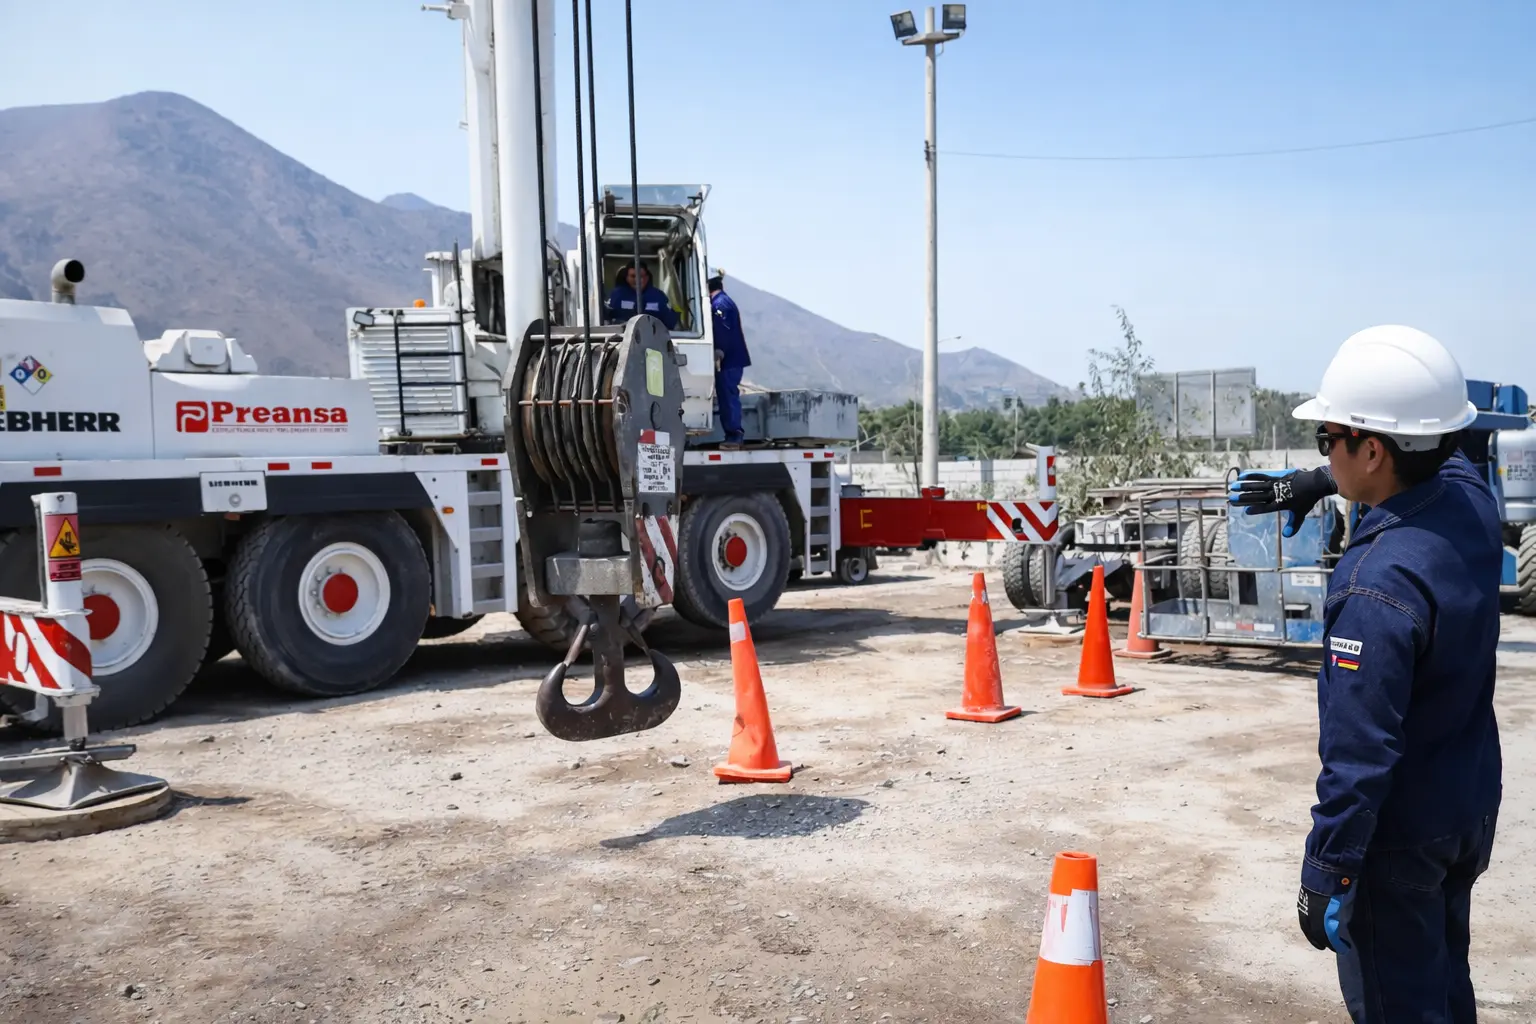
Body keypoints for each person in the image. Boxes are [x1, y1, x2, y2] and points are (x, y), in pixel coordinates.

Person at [1228, 325, 1502, 1023]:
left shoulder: (1378, 585)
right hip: (1464, 811)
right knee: (1443, 987)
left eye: (1329, 437)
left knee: (1401, 1006)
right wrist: (1324, 479)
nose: (1323, 450)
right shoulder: (1472, 503)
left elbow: (1359, 753)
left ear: (1374, 450)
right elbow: (1454, 444)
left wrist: (1327, 869)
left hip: (1400, 840)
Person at [708, 269, 751, 449]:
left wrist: (719, 352)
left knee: (728, 396)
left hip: (728, 362)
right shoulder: (722, 302)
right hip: (728, 361)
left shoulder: (720, 304)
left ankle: (734, 435)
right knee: (726, 395)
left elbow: (723, 331)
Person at [605, 263, 679, 331]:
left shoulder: (658, 296)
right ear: (627, 278)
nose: (637, 280)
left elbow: (672, 323)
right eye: (633, 276)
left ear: (647, 277)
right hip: (623, 338)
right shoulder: (617, 295)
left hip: (653, 338)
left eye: (641, 276)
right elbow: (607, 319)